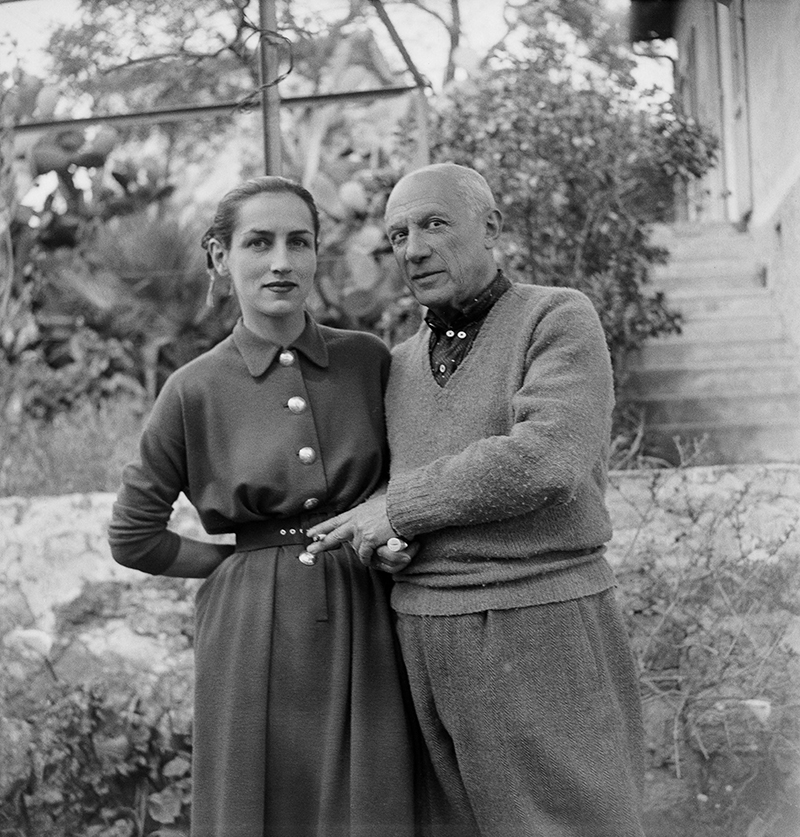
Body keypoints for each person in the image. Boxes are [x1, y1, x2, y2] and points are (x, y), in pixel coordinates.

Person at [306, 163, 647, 837]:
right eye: (398, 233)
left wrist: (398, 509)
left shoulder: (555, 316)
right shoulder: (399, 363)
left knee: (576, 824)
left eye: (433, 223)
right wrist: (393, 546)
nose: (414, 248)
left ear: (491, 227)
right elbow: (406, 499)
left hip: (539, 620)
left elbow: (546, 459)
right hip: (423, 638)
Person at [108, 175, 417, 837]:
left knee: (374, 800)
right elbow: (134, 535)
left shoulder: (369, 360)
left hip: (367, 610)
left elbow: (411, 472)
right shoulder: (191, 390)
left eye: (298, 242)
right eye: (258, 242)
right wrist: (232, 565)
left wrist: (387, 525)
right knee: (260, 805)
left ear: (315, 255)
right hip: (249, 628)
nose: (281, 260)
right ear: (220, 257)